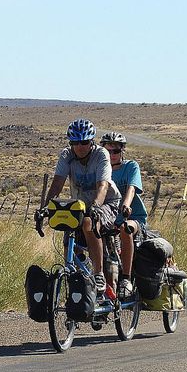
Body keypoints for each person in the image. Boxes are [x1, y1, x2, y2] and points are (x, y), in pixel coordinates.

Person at [41, 119, 121, 296]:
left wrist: (96, 207)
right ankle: (78, 280)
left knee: (87, 223)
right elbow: (56, 185)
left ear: (91, 141)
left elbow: (103, 186)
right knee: (68, 233)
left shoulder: (101, 155)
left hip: (107, 202)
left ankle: (98, 274)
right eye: (75, 142)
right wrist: (44, 209)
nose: (80, 146)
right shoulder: (66, 155)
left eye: (84, 142)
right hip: (79, 205)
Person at [100, 132, 148, 298]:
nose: (112, 155)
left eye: (116, 151)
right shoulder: (101, 169)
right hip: (109, 218)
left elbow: (132, 188)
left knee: (125, 228)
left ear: (122, 152)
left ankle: (126, 279)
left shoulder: (131, 166)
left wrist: (126, 205)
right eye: (108, 152)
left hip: (133, 218)